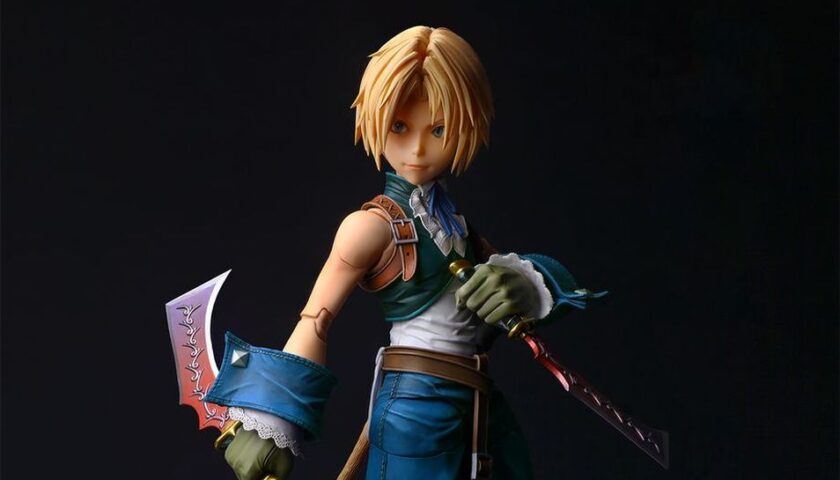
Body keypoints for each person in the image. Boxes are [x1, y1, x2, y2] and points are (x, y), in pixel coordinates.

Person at [205, 26, 604, 480]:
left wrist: (523, 286)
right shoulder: (369, 228)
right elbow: (315, 319)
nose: (416, 148)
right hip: (417, 411)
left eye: (439, 129)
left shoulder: (457, 226)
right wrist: (273, 423)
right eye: (399, 126)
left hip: (480, 405)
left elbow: (535, 288)